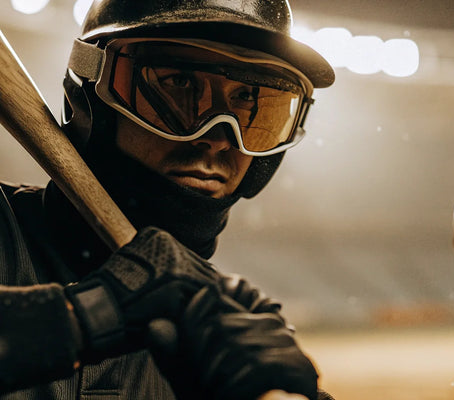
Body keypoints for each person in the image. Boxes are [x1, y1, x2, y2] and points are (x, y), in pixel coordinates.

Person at [0, 0, 335, 399]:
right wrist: (91, 313)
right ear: (94, 102)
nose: (218, 137)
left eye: (249, 98)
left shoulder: (211, 334)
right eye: (179, 84)